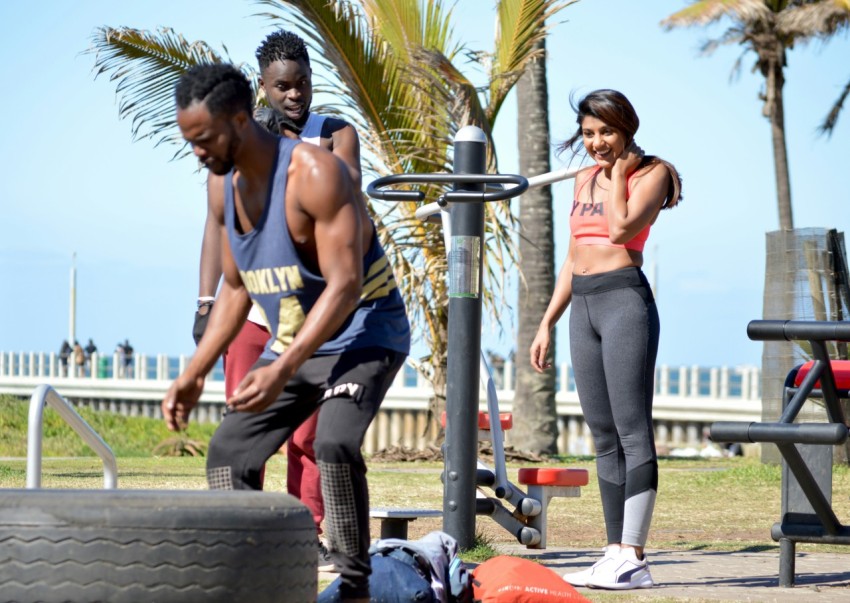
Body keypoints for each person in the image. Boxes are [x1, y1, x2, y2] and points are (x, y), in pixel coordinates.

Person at [165, 63, 410, 603]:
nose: (198, 152)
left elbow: (345, 286)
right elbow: (235, 289)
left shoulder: (316, 175)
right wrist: (194, 372)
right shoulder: (222, 187)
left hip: (365, 331)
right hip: (297, 339)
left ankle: (353, 587)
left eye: (204, 139)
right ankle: (256, 582)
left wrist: (281, 366)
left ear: (238, 119)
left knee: (334, 442)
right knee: (230, 453)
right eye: (191, 142)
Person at [192, 30, 364, 571]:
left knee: (310, 435)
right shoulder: (245, 142)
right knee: (245, 424)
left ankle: (306, 531)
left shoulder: (335, 135)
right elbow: (217, 228)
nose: (295, 95)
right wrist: (205, 302)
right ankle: (241, 530)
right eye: (283, 87)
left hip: (313, 310)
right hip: (253, 308)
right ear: (262, 88)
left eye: (303, 83)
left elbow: (346, 196)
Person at [530, 89, 682, 591]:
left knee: (633, 430)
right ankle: (612, 551)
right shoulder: (581, 177)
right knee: (601, 434)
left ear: (626, 129)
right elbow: (575, 253)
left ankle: (634, 556)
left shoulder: (653, 174)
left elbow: (619, 231)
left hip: (624, 303)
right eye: (589, 133)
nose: (597, 143)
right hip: (585, 307)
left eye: (607, 132)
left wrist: (618, 175)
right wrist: (548, 321)